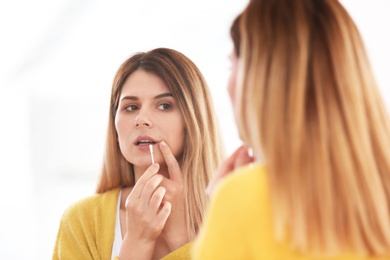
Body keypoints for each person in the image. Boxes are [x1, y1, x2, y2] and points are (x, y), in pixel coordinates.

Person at [193, 0, 390, 259]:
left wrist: (225, 208)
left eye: (233, 65)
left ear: (262, 77)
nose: (228, 86)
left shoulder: (242, 199)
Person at [52, 47, 225, 260]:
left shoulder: (235, 217)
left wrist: (182, 239)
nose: (141, 119)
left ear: (193, 121)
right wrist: (136, 243)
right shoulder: (81, 222)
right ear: (114, 126)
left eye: (164, 105)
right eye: (131, 107)